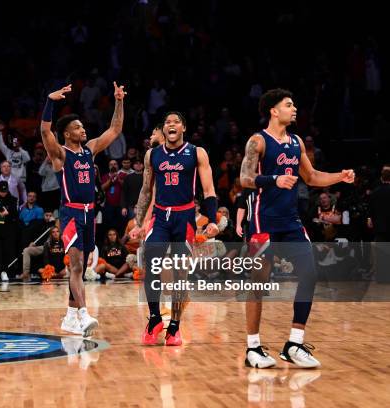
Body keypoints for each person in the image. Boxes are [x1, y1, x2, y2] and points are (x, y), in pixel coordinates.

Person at [239, 88, 354, 368]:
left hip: (290, 221)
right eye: (289, 105)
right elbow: (245, 178)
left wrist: (340, 176)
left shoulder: (296, 142)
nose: (294, 109)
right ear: (273, 111)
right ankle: (253, 347)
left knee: (310, 274)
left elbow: (312, 177)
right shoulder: (258, 141)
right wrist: (274, 180)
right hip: (262, 221)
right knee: (258, 283)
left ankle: (294, 343)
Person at [41, 81, 126, 337]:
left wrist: (119, 100)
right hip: (70, 213)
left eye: (82, 126)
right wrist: (50, 101)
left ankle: (69, 315)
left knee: (83, 265)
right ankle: (83, 313)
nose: (83, 129)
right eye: (77, 127)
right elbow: (45, 132)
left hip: (91, 214)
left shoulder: (89, 151)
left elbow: (115, 128)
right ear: (67, 133)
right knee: (76, 266)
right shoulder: (61, 155)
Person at [130, 112, 219, 346]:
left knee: (181, 274)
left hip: (185, 217)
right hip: (160, 216)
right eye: (167, 122)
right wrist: (139, 223)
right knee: (151, 264)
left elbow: (208, 189)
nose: (171, 125)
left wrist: (211, 219)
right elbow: (146, 191)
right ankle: (155, 319)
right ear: (164, 129)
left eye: (176, 122)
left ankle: (175, 327)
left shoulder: (196, 152)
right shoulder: (153, 155)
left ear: (183, 128)